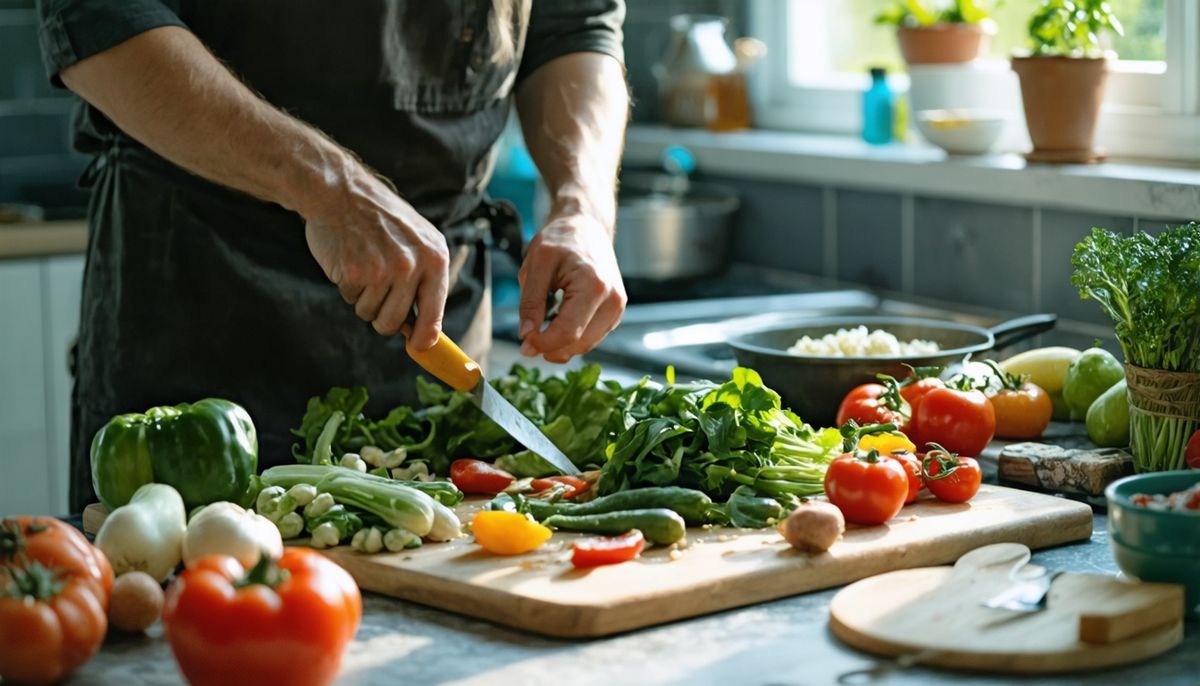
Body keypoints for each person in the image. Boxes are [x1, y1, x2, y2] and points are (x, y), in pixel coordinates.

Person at [36, 1, 630, 512]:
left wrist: (584, 208)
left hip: (434, 352)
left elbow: (573, 25)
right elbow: (100, 17)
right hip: (198, 320)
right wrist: (330, 190)